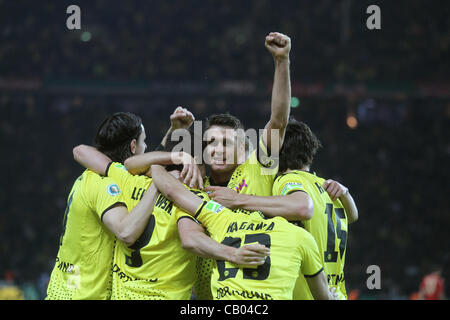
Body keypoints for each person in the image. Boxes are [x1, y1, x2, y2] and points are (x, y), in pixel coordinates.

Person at [73, 129, 269, 299]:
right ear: (195, 165)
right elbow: (191, 238)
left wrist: (159, 166)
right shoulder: (191, 199)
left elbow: (83, 152)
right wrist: (233, 254)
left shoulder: (132, 180)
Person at [205, 118, 358, 299]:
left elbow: (302, 207)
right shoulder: (326, 186)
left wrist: (238, 200)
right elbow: (352, 216)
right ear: (309, 154)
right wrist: (346, 194)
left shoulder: (287, 181)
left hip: (308, 292)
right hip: (336, 291)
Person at [150, 163, 333, 300]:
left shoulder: (224, 218)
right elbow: (323, 297)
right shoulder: (301, 237)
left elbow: (170, 188)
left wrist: (183, 162)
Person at [46, 112, 160, 300]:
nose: (146, 148)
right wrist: (158, 184)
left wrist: (175, 130)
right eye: (144, 142)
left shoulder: (88, 175)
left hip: (65, 289)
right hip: (83, 295)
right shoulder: (105, 185)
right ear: (133, 146)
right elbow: (126, 232)